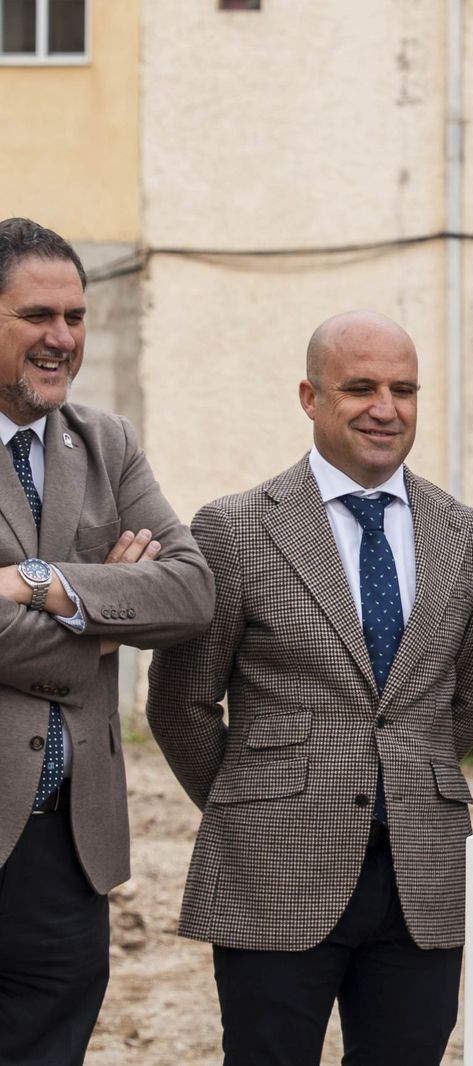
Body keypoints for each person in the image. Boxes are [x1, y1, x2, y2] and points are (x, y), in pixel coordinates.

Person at [145, 311, 473, 1066]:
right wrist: (259, 799)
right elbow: (180, 704)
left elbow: (467, 703)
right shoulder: (236, 530)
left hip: (422, 877)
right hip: (272, 866)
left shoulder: (469, 535)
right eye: (360, 387)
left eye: (403, 389)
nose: (386, 408)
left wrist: (405, 778)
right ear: (310, 397)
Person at [0, 217, 214, 1065]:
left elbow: (192, 590)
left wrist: (43, 584)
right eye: (37, 316)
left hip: (65, 843)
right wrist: (105, 623)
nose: (62, 339)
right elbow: (149, 601)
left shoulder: (105, 441)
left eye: (76, 318)